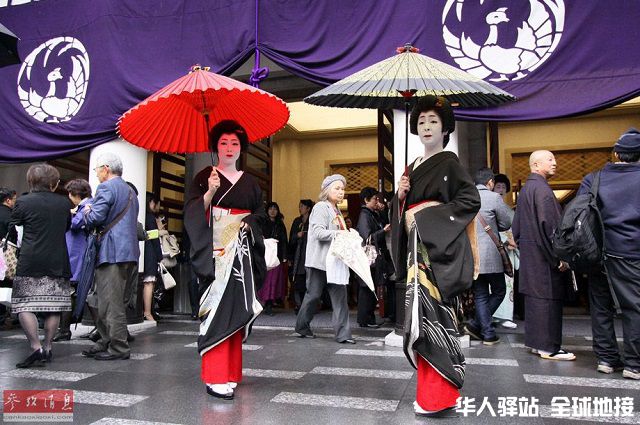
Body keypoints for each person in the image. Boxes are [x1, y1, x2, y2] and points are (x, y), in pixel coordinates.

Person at [391, 95, 480, 417]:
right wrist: (400, 197)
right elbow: (401, 214)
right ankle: (430, 394)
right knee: (419, 317)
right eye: (421, 121)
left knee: (436, 318)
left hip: (437, 252)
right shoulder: (410, 168)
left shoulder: (450, 163)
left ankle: (438, 395)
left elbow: (469, 201)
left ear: (445, 129)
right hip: (417, 248)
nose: (426, 126)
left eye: (433, 121)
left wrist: (426, 216)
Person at [184, 120, 266, 400]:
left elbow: (260, 214)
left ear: (241, 148)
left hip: (241, 253)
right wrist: (209, 192)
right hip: (215, 254)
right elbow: (191, 212)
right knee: (217, 311)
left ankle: (230, 371)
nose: (229, 148)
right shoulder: (205, 176)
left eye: (234, 143)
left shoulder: (250, 182)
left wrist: (249, 223)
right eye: (223, 143)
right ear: (215, 147)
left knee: (237, 310)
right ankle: (215, 375)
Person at [579, 128, 640, 378]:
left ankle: (606, 358)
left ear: (616, 153)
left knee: (601, 306)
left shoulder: (594, 178)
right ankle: (634, 363)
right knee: (634, 307)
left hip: (597, 252)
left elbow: (580, 213)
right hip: (630, 252)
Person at [512, 150, 575, 361]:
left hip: (530, 256)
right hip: (544, 257)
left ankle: (537, 343)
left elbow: (516, 228)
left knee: (535, 302)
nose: (554, 163)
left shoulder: (527, 189)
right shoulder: (543, 190)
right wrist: (559, 257)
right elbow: (551, 229)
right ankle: (549, 348)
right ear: (536, 165)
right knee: (548, 301)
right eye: (550, 159)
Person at [10, 164, 72, 367]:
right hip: (58, 260)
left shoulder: (24, 201)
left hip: (31, 259)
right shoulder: (63, 203)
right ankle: (48, 347)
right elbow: (67, 227)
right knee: (54, 307)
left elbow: (14, 226)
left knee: (24, 305)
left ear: (31, 181)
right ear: (53, 183)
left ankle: (36, 347)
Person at [81, 152, 140, 361]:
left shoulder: (106, 187)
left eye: (97, 170)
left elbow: (95, 218)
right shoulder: (131, 191)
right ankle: (105, 340)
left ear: (106, 168)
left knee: (111, 303)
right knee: (109, 301)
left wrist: (86, 211)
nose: (96, 174)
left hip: (112, 252)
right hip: (129, 252)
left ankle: (119, 348)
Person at [295, 174, 354, 344]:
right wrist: (341, 233)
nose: (341, 192)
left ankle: (343, 335)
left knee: (340, 298)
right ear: (327, 190)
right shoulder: (321, 207)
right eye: (337, 188)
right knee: (313, 296)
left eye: (343, 189)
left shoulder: (337, 211)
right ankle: (302, 326)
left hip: (335, 262)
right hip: (318, 262)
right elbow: (318, 232)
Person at [464, 168, 513, 345]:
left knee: (481, 294)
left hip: (472, 254)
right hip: (491, 254)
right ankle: (480, 327)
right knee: (499, 291)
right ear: (490, 182)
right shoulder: (494, 198)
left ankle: (486, 331)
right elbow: (506, 222)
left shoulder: (465, 198)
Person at [52, 179, 93, 341]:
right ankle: (65, 329)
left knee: (73, 291)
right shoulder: (84, 206)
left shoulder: (86, 205)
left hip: (77, 252)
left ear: (75, 193)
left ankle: (64, 330)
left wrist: (70, 214)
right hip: (76, 252)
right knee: (76, 291)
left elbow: (76, 224)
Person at [356, 187, 390, 328]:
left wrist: (382, 210)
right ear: (366, 200)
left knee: (371, 287)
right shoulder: (365, 215)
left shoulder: (372, 214)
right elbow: (367, 238)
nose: (377, 201)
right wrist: (383, 231)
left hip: (373, 257)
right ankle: (365, 319)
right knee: (367, 287)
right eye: (375, 199)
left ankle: (367, 318)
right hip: (368, 258)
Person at [492, 173, 519, 328]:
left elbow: (514, 230)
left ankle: (505, 316)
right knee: (493, 285)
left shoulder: (509, 210)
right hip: (495, 249)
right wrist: (505, 240)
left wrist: (514, 241)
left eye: (503, 187)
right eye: (498, 186)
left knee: (508, 284)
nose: (501, 189)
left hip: (508, 251)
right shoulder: (490, 207)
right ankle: (493, 315)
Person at [258, 201, 288, 315]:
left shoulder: (280, 224)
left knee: (273, 281)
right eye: (270, 208)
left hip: (276, 257)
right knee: (265, 281)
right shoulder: (262, 222)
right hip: (264, 256)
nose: (272, 211)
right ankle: (262, 303)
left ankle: (269, 304)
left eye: (275, 209)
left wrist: (284, 256)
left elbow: (284, 241)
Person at [288, 199, 313, 313]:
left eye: (302, 206)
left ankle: (308, 306)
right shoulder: (297, 221)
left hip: (309, 255)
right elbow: (291, 239)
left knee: (309, 281)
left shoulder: (312, 221)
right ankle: (298, 305)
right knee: (297, 281)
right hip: (297, 256)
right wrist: (297, 236)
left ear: (308, 208)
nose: (300, 208)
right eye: (300, 206)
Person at [142, 192, 163, 322]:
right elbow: (154, 238)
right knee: (149, 283)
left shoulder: (140, 215)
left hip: (141, 253)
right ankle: (148, 312)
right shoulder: (150, 217)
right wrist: (160, 257)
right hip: (150, 253)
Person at [0, 187, 17, 325]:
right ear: (8, 200)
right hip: (5, 253)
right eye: (14, 199)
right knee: (6, 283)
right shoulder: (11, 215)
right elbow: (15, 235)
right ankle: (3, 316)